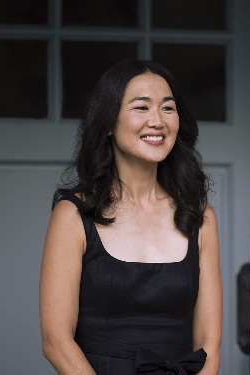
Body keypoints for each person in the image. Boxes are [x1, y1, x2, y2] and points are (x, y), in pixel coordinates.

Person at [39, 59, 222, 374]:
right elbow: (56, 341)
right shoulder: (73, 214)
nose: (158, 121)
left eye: (168, 108)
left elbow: (210, 343)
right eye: (141, 108)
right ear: (108, 123)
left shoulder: (200, 217)